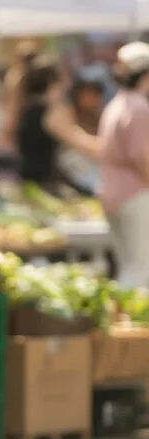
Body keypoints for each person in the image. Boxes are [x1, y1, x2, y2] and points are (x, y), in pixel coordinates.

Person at [98, 42, 149, 288]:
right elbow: (142, 156)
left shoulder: (115, 105)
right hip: (135, 194)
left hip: (112, 193)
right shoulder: (139, 108)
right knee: (139, 268)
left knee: (127, 264)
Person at [16, 55, 101, 188]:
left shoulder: (26, 107)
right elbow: (80, 142)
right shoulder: (50, 112)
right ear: (52, 82)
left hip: (29, 181)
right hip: (45, 185)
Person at [57, 73, 105, 195]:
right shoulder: (66, 113)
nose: (92, 98)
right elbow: (79, 142)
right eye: (88, 94)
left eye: (96, 94)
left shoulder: (101, 116)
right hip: (74, 173)